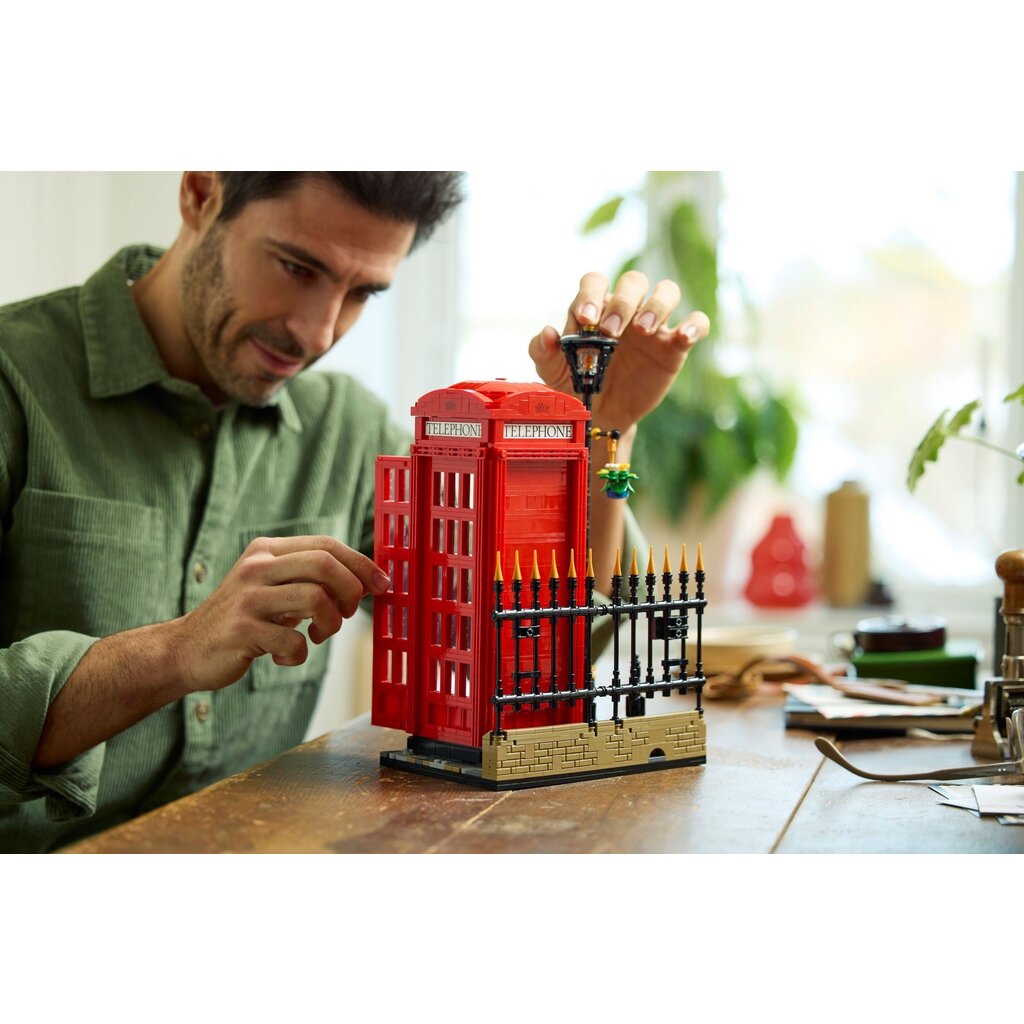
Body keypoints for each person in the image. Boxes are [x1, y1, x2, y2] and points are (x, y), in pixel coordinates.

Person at [0, 172, 709, 852]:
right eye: (296, 267)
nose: (317, 332)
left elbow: (531, 653)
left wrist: (597, 431)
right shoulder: (15, 379)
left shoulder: (349, 429)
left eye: (363, 291)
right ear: (199, 193)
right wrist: (176, 651)